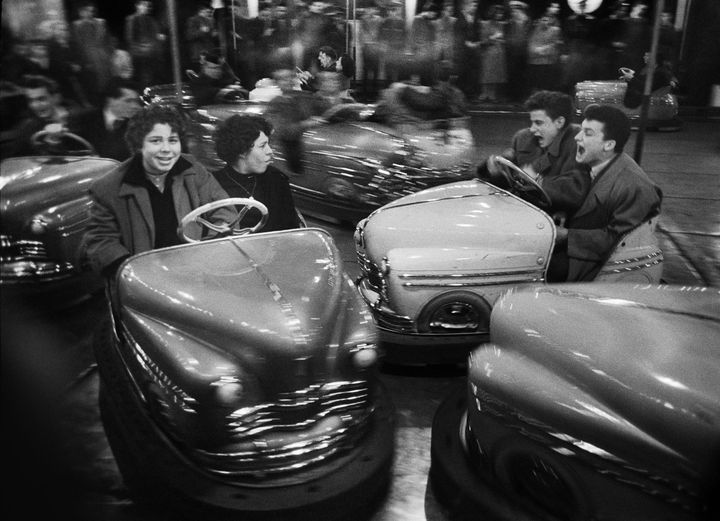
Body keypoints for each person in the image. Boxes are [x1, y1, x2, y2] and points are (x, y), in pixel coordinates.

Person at [83, 104, 234, 279]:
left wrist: (212, 247)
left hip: (196, 274)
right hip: (145, 281)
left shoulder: (194, 170)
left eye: (172, 140)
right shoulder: (108, 188)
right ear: (139, 145)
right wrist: (132, 275)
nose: (166, 149)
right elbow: (101, 241)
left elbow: (224, 209)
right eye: (156, 141)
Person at [548, 104, 662, 282]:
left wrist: (566, 235)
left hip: (594, 263)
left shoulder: (634, 186)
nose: (577, 137)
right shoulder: (590, 163)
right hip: (578, 247)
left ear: (608, 145)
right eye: (580, 130)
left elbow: (617, 242)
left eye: (588, 133)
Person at [478, 90, 591, 218]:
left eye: (538, 123)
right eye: (532, 122)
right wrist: (495, 171)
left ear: (559, 122)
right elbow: (508, 172)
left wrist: (536, 180)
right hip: (520, 211)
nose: (532, 129)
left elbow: (576, 191)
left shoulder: (579, 142)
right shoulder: (523, 138)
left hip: (554, 218)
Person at [212, 114, 302, 232]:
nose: (270, 151)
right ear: (242, 151)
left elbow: (291, 228)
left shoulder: (276, 179)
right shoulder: (213, 185)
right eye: (262, 146)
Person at [265, 68, 326, 174]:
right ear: (277, 83)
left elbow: (323, 110)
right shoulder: (274, 104)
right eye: (283, 79)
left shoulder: (304, 97)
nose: (288, 81)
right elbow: (283, 131)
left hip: (314, 143)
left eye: (290, 78)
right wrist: (306, 124)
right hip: (292, 149)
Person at [91, 78, 142, 161]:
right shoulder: (86, 121)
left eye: (136, 101)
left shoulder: (137, 123)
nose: (135, 106)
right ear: (110, 101)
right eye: (128, 101)